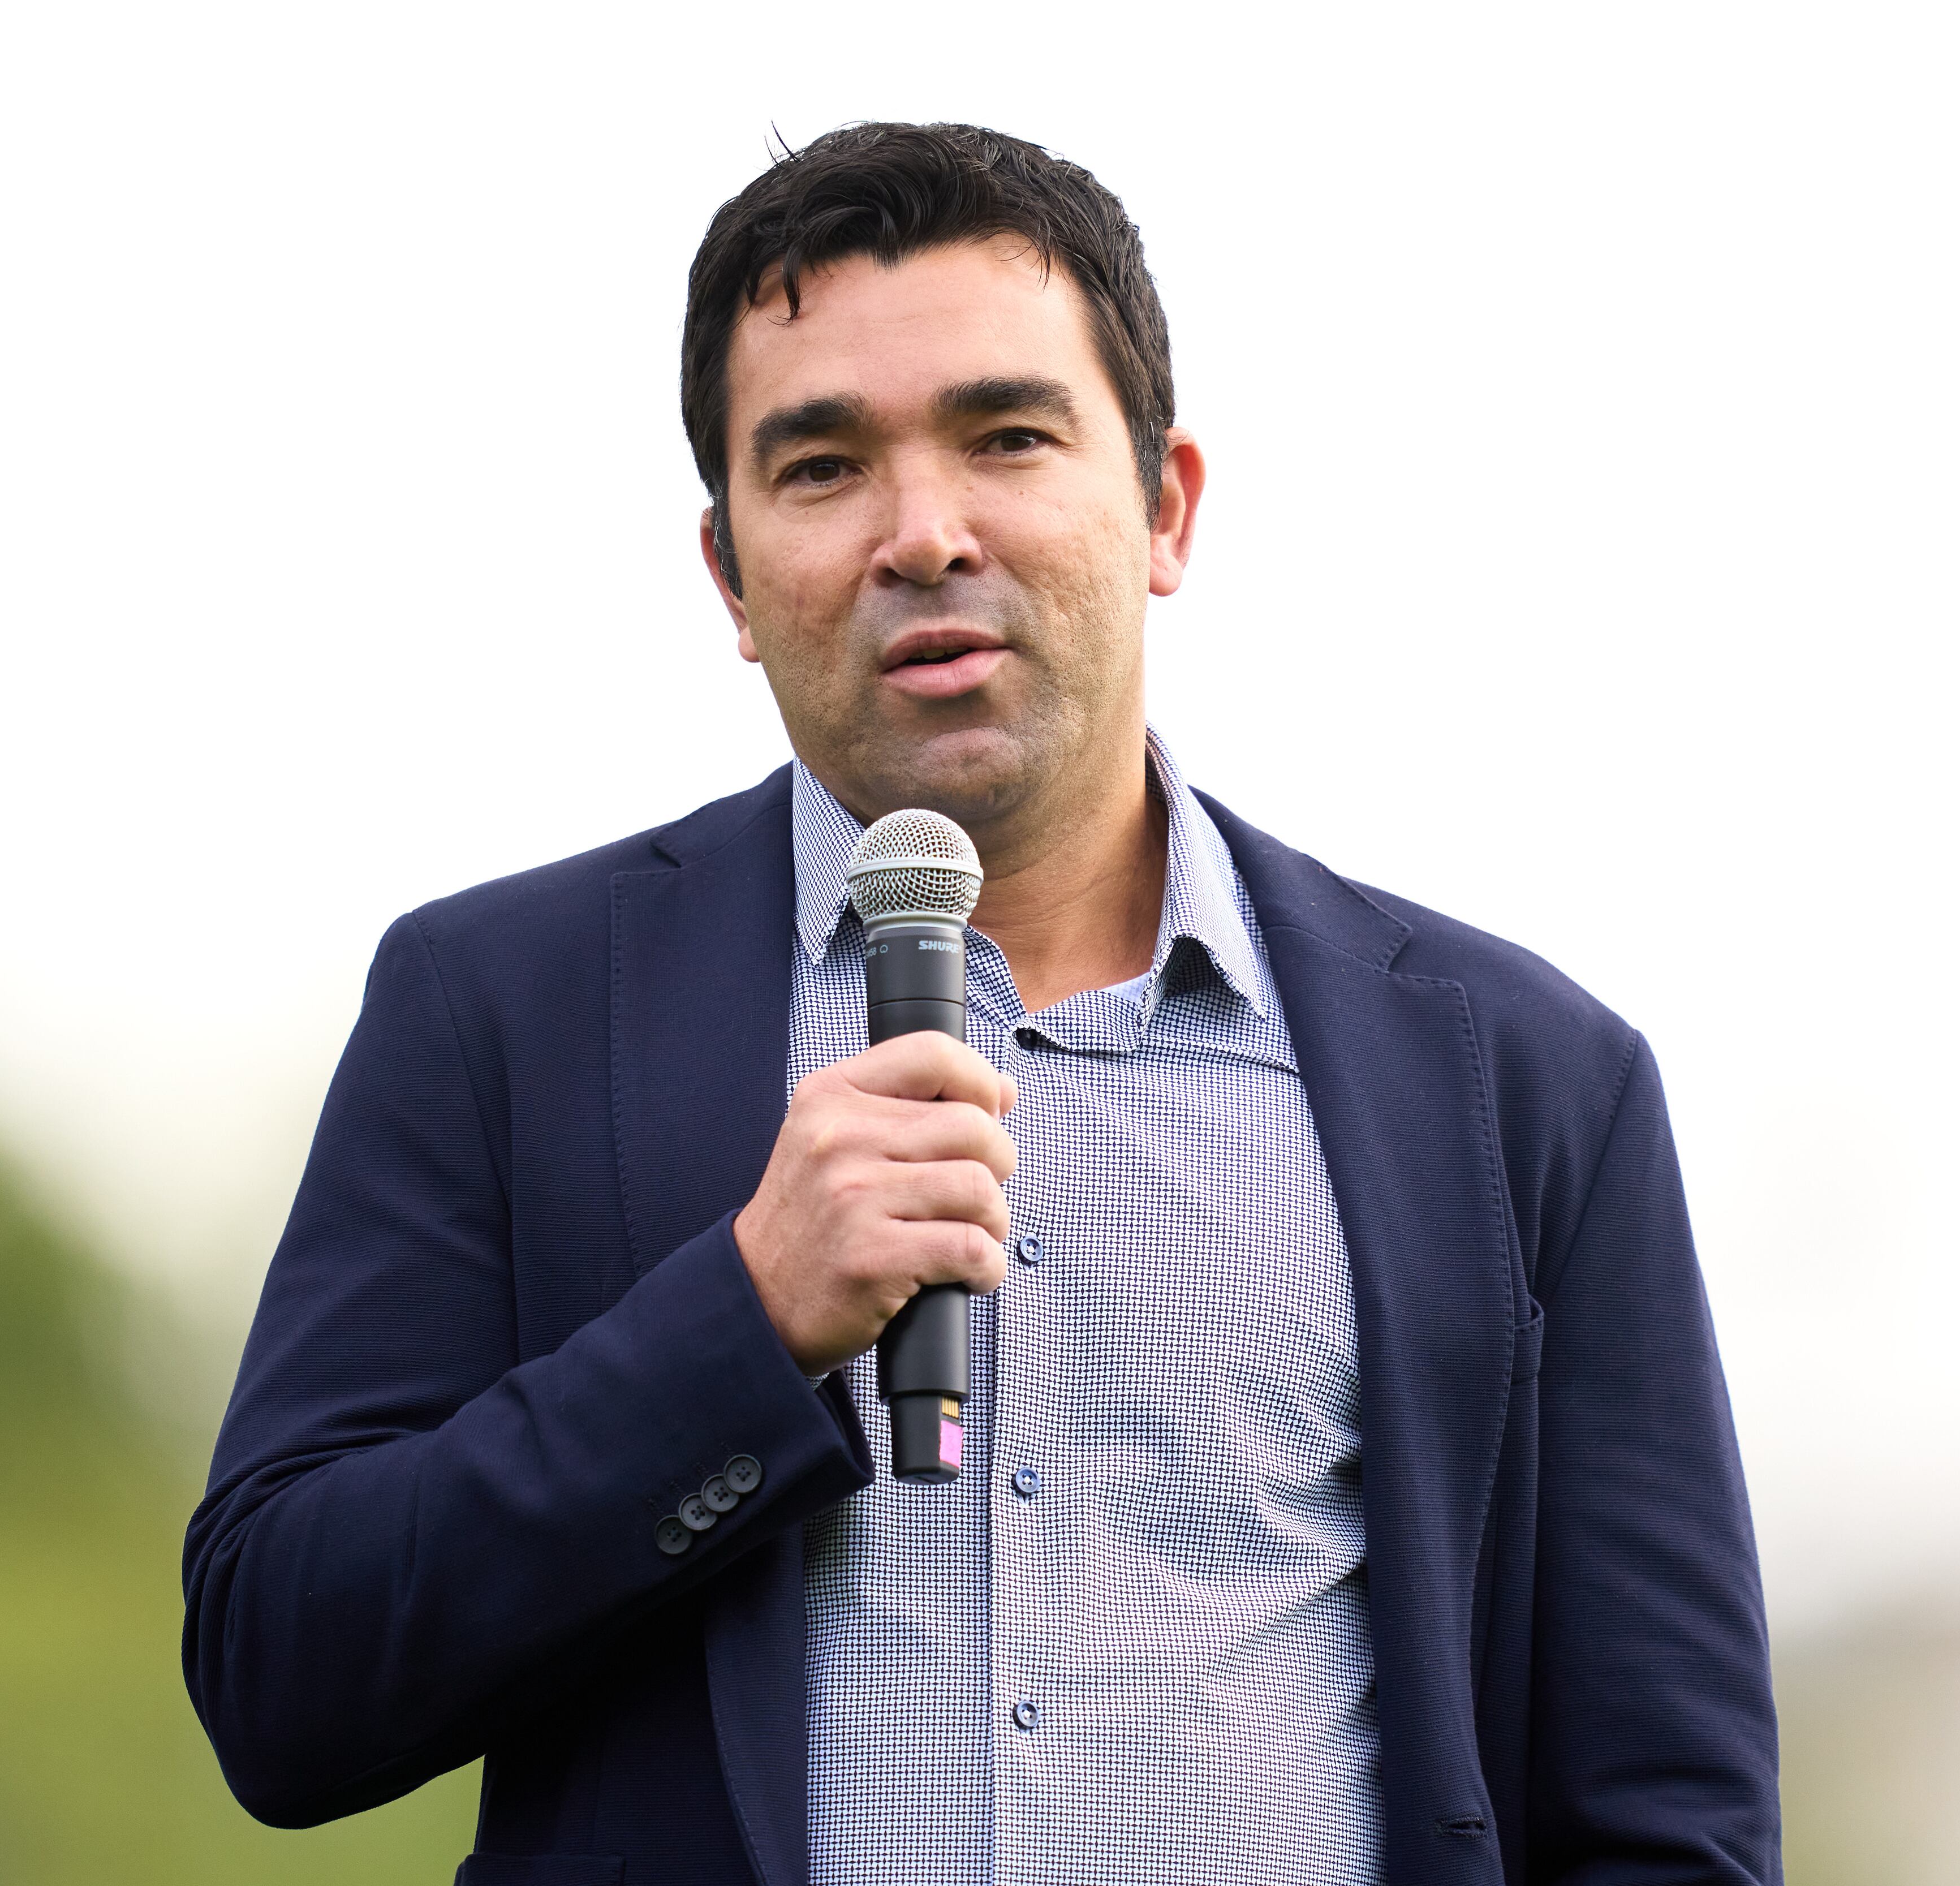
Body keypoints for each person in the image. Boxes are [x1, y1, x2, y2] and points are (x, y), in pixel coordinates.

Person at [183, 122, 1780, 1886]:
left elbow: (1664, 1814)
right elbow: (281, 1678)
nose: (922, 533)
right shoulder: (505, 1011)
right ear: (729, 575)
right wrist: (740, 1320)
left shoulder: (1517, 1081)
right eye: (822, 468)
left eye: (1007, 438)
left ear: (1164, 507)